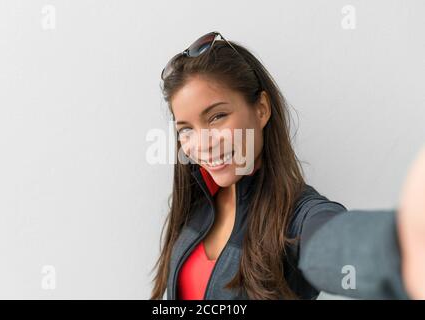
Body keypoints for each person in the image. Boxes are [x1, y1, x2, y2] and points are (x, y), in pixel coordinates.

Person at [150, 31, 425, 300]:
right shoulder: (196, 203)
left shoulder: (296, 218)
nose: (202, 145)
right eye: (186, 129)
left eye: (217, 117)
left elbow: (334, 240)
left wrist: (404, 249)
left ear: (261, 109)